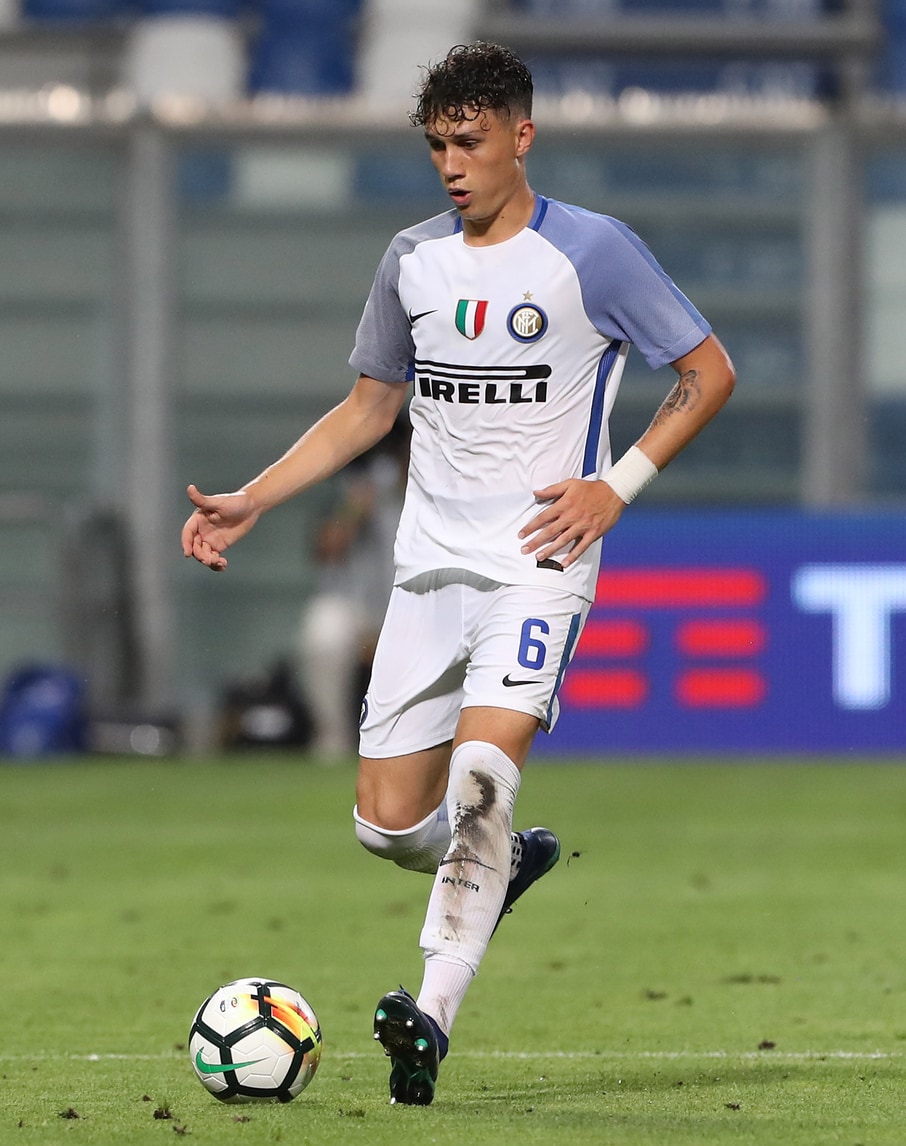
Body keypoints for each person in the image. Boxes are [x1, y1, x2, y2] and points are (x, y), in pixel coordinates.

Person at [182, 41, 736, 1106]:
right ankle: (499, 862)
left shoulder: (594, 252)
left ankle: (428, 1021)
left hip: (539, 564)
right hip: (428, 572)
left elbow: (707, 372)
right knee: (388, 824)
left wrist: (615, 487)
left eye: (470, 142)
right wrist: (255, 495)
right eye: (437, 145)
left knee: (483, 775)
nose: (451, 165)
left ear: (521, 137)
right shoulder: (411, 260)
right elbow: (367, 409)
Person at [297, 422, 408, 759]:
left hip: (417, 605)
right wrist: (354, 507)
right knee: (325, 632)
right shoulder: (356, 487)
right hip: (357, 606)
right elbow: (325, 550)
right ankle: (332, 741)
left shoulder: (443, 491)